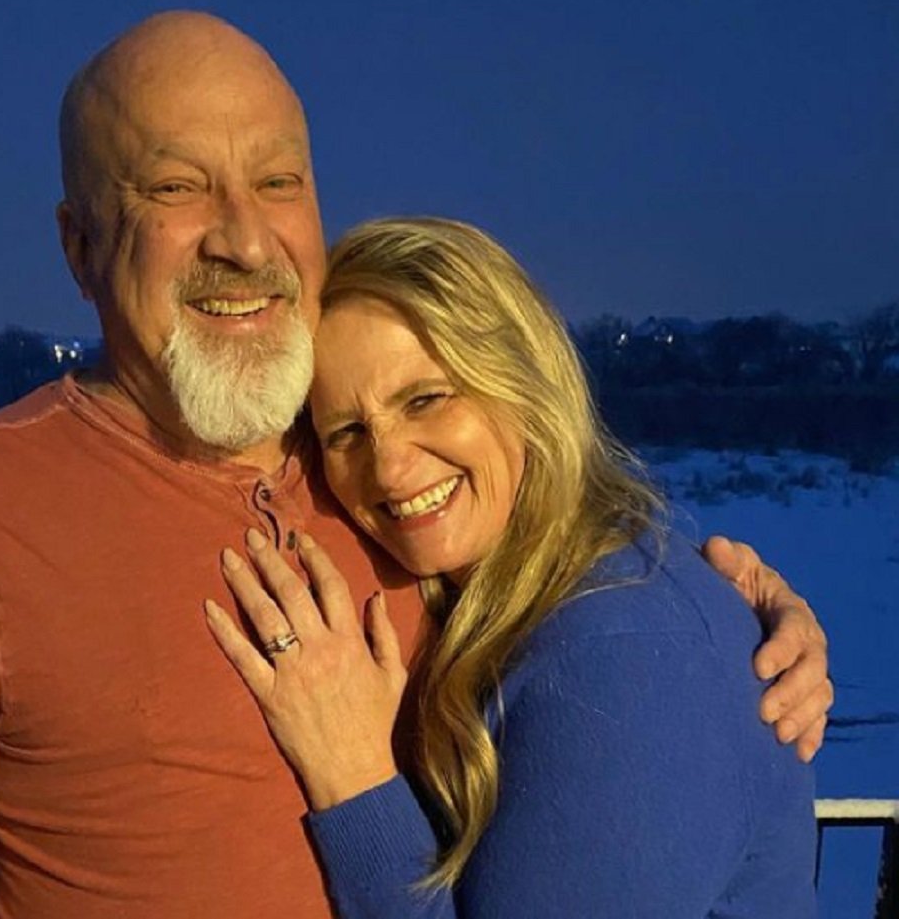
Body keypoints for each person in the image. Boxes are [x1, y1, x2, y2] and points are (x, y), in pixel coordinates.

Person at [0, 13, 830, 919]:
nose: (243, 235)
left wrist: (732, 611)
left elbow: (601, 585)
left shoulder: (376, 475)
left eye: (278, 180)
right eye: (174, 186)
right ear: (79, 246)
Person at [206, 216, 819, 917]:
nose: (388, 465)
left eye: (425, 398)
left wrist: (352, 777)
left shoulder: (624, 659)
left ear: (522, 382)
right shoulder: (533, 593)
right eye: (346, 432)